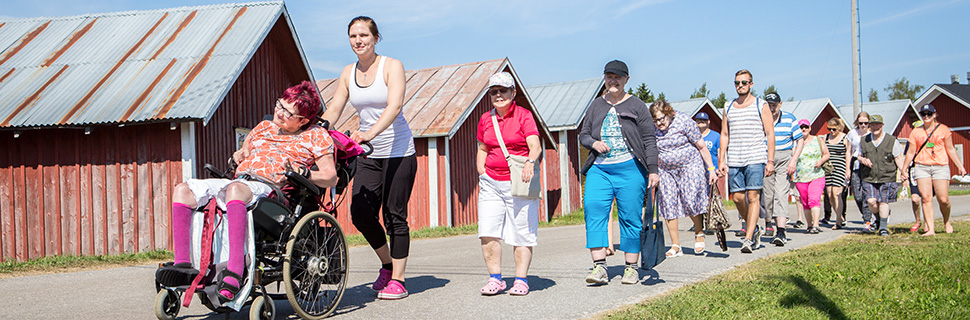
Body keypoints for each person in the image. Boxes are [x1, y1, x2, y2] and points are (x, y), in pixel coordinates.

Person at [158, 82, 338, 302]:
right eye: (279, 105)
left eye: (287, 113)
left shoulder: (316, 135)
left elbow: (330, 176)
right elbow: (244, 152)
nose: (279, 113)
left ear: (303, 120)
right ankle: (183, 266)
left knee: (235, 190)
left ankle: (235, 272)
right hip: (241, 181)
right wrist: (238, 156)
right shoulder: (263, 127)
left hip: (272, 192)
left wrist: (305, 173)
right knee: (183, 190)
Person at [322, 16, 417, 299]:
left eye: (364, 35)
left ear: (376, 38)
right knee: (361, 214)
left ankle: (398, 280)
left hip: (399, 151)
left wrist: (370, 133)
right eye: (353, 36)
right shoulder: (347, 72)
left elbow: (395, 105)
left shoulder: (392, 66)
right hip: (368, 152)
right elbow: (335, 107)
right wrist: (318, 129)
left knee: (394, 215)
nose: (358, 40)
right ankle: (387, 265)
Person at [579, 60, 659, 285]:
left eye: (618, 77)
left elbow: (649, 140)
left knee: (630, 216)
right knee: (594, 210)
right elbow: (583, 134)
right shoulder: (596, 105)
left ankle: (631, 268)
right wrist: (593, 143)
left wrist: (652, 170)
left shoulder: (637, 106)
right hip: (600, 169)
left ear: (626, 80)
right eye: (609, 76)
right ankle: (599, 268)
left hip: (630, 168)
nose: (613, 81)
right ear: (604, 78)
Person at [476, 72, 542, 296]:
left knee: (521, 232)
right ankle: (496, 279)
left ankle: (521, 280)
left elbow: (535, 145)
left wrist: (530, 163)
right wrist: (481, 170)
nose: (498, 95)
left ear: (513, 93)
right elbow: (483, 148)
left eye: (503, 90)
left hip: (519, 182)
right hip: (491, 181)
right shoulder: (486, 118)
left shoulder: (524, 116)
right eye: (494, 91)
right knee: (488, 231)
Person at [650, 101, 718, 256]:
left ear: (670, 114)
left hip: (690, 164)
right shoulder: (652, 127)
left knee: (690, 197)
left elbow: (701, 146)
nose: (659, 123)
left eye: (662, 119)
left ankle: (699, 232)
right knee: (668, 203)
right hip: (665, 169)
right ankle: (675, 245)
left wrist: (711, 169)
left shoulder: (684, 121)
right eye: (656, 120)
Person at [718, 69, 775, 253]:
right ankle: (755, 227)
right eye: (737, 83)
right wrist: (722, 160)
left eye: (744, 82)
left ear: (751, 84)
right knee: (737, 197)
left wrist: (770, 160)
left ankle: (749, 238)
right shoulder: (728, 106)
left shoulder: (761, 104)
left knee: (753, 196)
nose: (740, 86)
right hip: (735, 158)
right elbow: (725, 134)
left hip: (755, 156)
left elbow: (769, 133)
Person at [901, 105, 968, 236]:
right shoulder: (916, 132)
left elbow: (951, 149)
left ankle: (946, 221)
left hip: (940, 166)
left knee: (943, 199)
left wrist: (960, 166)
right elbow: (910, 152)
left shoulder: (943, 129)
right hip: (921, 166)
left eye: (929, 114)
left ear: (935, 115)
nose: (926, 117)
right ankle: (931, 229)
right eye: (923, 114)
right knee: (925, 198)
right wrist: (904, 169)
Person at [759, 92, 802, 245]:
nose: (772, 108)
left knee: (781, 193)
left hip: (784, 157)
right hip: (766, 158)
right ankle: (768, 223)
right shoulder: (762, 119)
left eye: (774, 105)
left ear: (780, 104)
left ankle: (781, 231)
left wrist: (793, 160)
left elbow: (799, 140)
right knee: (768, 195)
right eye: (769, 105)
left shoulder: (789, 119)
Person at [858, 115, 905, 237]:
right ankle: (879, 219)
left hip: (887, 176)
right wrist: (863, 160)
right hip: (869, 177)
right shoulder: (864, 140)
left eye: (877, 125)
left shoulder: (891, 140)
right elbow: (858, 155)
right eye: (872, 125)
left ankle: (883, 228)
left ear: (882, 125)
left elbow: (899, 158)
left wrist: (904, 172)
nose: (875, 127)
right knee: (871, 202)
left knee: (883, 202)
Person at [788, 119, 829, 234]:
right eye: (801, 127)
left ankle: (816, 225)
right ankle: (809, 225)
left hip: (817, 175)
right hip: (801, 177)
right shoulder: (795, 144)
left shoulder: (818, 140)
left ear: (810, 128)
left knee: (814, 199)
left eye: (806, 127)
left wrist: (820, 161)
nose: (804, 129)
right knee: (805, 202)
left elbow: (826, 154)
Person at [846, 112, 874, 231]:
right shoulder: (852, 134)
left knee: (867, 194)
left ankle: (867, 220)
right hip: (855, 166)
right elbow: (849, 152)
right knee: (857, 195)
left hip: (868, 166)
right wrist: (847, 168)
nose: (863, 125)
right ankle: (869, 215)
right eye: (860, 123)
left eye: (865, 123)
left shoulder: (872, 134)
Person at [823, 118, 852, 229]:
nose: (832, 131)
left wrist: (847, 169)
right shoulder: (826, 137)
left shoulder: (845, 138)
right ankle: (839, 215)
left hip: (840, 167)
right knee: (829, 194)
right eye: (829, 129)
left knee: (836, 193)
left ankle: (838, 221)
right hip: (828, 168)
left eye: (834, 129)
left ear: (839, 128)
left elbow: (848, 154)